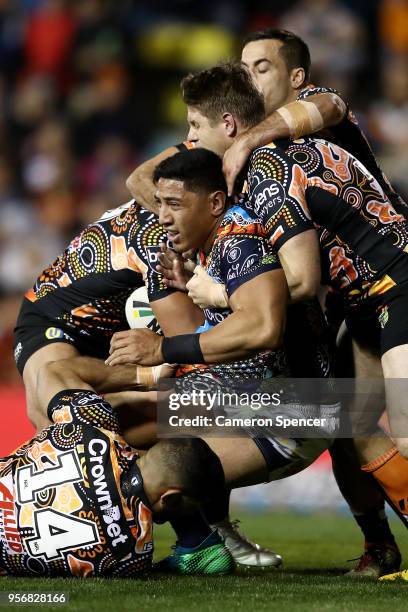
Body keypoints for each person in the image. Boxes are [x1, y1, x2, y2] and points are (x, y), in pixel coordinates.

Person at [0, 356, 228, 577]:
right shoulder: (132, 558)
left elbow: (53, 371)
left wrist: (147, 375)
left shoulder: (93, 426)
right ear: (171, 499)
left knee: (112, 406)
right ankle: (197, 543)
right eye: (189, 509)